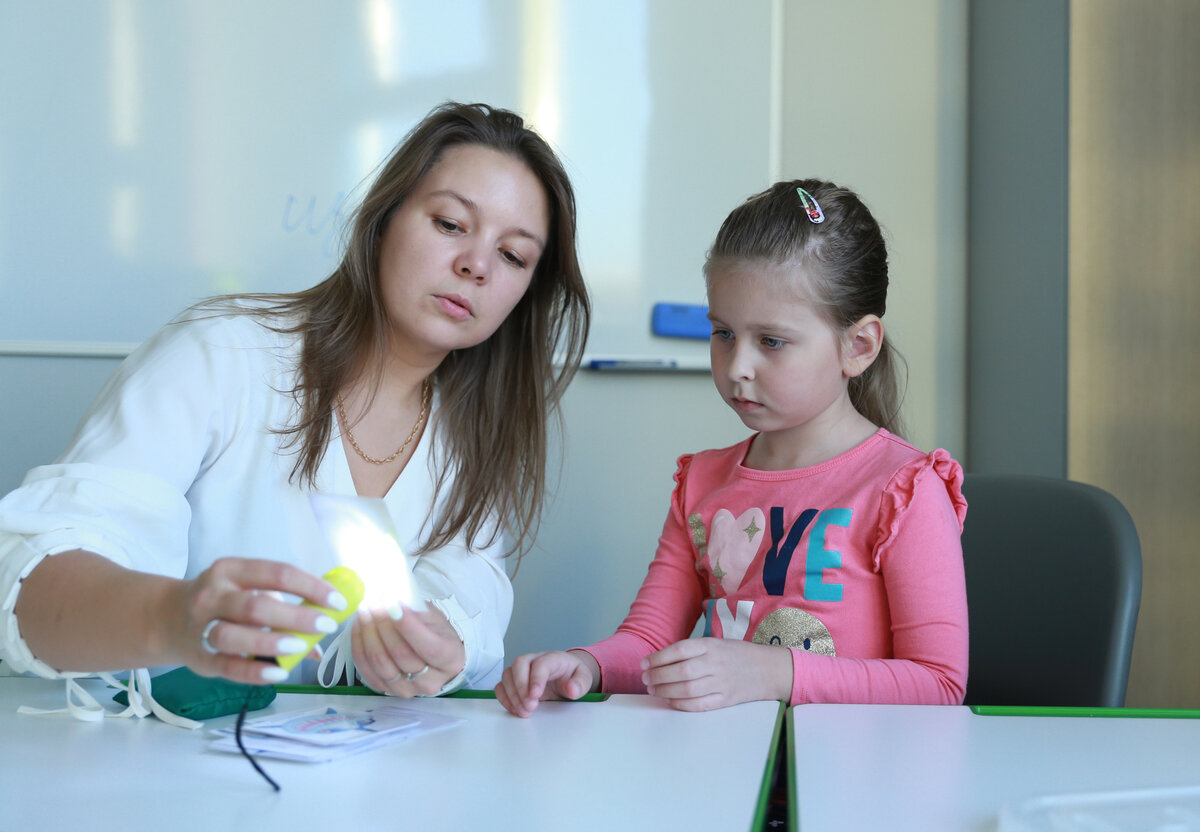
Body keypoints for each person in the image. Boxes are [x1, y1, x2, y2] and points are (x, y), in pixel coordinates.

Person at [0, 102, 590, 704]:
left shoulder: (471, 435)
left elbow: (472, 595)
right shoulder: (219, 353)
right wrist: (173, 619)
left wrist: (438, 647)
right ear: (383, 220)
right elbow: (33, 579)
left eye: (513, 256)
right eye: (449, 224)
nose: (476, 265)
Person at [496, 179, 967, 715]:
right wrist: (586, 665)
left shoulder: (904, 489)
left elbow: (939, 683)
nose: (737, 366)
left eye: (771, 341)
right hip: (728, 771)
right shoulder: (702, 483)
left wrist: (772, 671)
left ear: (857, 347)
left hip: (856, 781)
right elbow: (650, 642)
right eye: (723, 333)